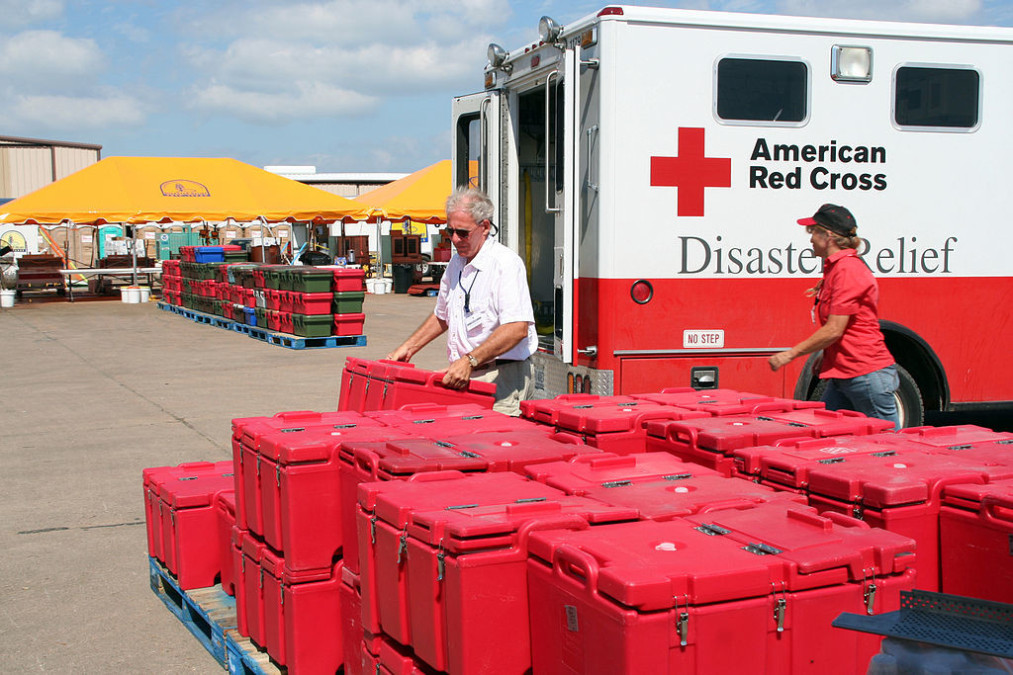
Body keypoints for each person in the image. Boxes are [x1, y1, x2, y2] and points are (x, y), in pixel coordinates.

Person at [387, 188, 538, 416]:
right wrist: (408, 348)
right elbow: (443, 314)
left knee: (493, 447)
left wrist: (469, 361)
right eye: (450, 231)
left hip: (501, 378)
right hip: (467, 373)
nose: (455, 239)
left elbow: (517, 329)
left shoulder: (504, 264)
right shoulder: (456, 263)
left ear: (485, 227)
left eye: (463, 233)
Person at [769, 203, 900, 429]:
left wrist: (790, 354)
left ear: (827, 236)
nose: (810, 240)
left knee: (891, 443)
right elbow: (844, 328)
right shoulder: (836, 268)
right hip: (846, 374)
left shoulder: (848, 270)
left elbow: (834, 329)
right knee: (826, 431)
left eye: (813, 233)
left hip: (865, 374)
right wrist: (826, 355)